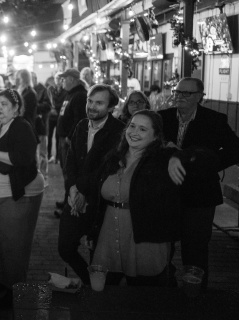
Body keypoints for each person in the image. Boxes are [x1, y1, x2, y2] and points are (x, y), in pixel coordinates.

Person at [159, 77, 239, 288]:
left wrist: (208, 164)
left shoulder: (214, 120)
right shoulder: (162, 118)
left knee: (195, 248)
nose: (180, 97)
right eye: (177, 92)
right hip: (167, 193)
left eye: (187, 93)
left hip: (200, 193)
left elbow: (234, 150)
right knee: (163, 246)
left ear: (200, 97)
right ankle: (164, 291)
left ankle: (196, 296)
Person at [88, 110, 181, 286]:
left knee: (144, 295)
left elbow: (203, 158)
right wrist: (76, 189)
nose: (134, 132)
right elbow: (94, 184)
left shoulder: (161, 160)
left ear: (155, 136)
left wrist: (177, 156)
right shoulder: (114, 157)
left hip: (143, 236)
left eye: (143, 129)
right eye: (132, 126)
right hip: (109, 233)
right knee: (106, 291)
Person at [0, 89, 44, 309]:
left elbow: (23, 158)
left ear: (16, 108)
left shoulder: (21, 126)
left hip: (13, 195)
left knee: (12, 245)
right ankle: (4, 283)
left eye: (4, 104)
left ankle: (14, 291)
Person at [57, 84, 125, 285]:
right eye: (90, 101)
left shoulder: (118, 131)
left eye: (99, 103)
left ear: (111, 107)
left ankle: (97, 292)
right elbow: (71, 163)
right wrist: (71, 189)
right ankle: (89, 282)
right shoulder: (81, 125)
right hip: (76, 195)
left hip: (100, 202)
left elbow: (106, 169)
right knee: (65, 247)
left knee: (98, 253)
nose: (92, 107)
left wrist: (81, 190)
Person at [55, 68, 87, 217]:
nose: (62, 81)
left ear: (72, 80)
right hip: (63, 139)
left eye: (64, 78)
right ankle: (66, 199)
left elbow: (79, 119)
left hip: (69, 141)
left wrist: (69, 137)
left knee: (70, 174)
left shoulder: (80, 95)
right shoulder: (70, 94)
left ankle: (69, 205)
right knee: (65, 172)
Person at [47, 74, 66, 163]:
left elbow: (63, 103)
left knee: (58, 137)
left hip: (59, 116)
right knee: (49, 136)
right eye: (56, 78)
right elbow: (49, 101)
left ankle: (58, 157)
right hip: (51, 116)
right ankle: (49, 156)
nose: (58, 80)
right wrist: (51, 108)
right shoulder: (51, 89)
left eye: (60, 79)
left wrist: (55, 108)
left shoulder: (65, 90)